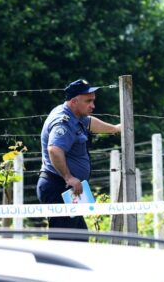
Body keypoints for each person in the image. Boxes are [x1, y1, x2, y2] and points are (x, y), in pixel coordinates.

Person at [37, 79, 120, 234]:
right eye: (88, 101)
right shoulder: (63, 122)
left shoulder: (76, 115)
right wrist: (68, 177)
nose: (93, 106)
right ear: (74, 101)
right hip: (59, 187)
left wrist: (115, 129)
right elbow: (54, 149)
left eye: (93, 101)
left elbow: (89, 123)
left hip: (67, 189)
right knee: (64, 241)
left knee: (79, 237)